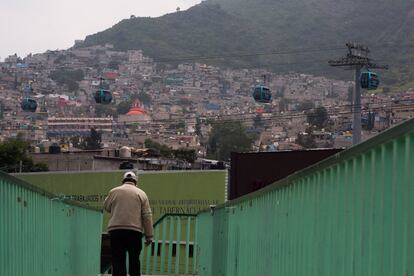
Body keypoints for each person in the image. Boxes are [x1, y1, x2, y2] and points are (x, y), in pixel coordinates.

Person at [104, 171, 153, 276]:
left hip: (116, 231)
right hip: (134, 232)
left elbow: (107, 207)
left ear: (123, 181)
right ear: (135, 182)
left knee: (118, 260)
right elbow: (147, 215)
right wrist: (149, 235)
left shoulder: (114, 191)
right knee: (134, 260)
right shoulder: (141, 193)